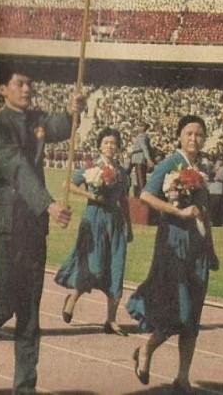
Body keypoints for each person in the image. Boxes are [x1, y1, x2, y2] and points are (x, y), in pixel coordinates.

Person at [0, 66, 79, 394]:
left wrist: (70, 112)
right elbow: (17, 167)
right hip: (2, 232)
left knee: (29, 315)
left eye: (30, 84)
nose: (26, 89)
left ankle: (25, 388)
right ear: (2, 89)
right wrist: (48, 204)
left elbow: (58, 126)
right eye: (19, 83)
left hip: (32, 231)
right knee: (0, 305)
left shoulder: (36, 119)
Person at [127, 115, 219, 393]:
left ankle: (182, 377)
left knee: (193, 315)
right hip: (173, 243)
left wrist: (212, 248)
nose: (194, 139)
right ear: (179, 136)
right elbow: (146, 195)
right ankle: (146, 349)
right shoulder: (170, 163)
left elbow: (204, 213)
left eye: (199, 134)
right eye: (189, 133)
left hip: (198, 247)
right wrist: (178, 211)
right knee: (178, 309)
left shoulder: (202, 169)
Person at [55, 126, 133, 335]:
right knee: (94, 267)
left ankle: (111, 320)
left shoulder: (122, 172)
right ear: (100, 146)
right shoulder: (91, 167)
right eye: (106, 142)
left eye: (114, 143)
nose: (110, 146)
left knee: (116, 269)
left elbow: (124, 200)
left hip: (115, 222)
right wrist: (90, 195)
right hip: (94, 219)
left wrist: (129, 226)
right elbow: (68, 184)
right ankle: (72, 298)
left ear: (118, 147)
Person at [125, 123, 154, 197]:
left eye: (140, 126)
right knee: (141, 179)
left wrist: (149, 159)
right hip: (139, 158)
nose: (138, 127)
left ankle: (142, 196)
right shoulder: (144, 136)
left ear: (143, 128)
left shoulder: (141, 136)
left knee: (140, 180)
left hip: (139, 158)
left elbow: (144, 148)